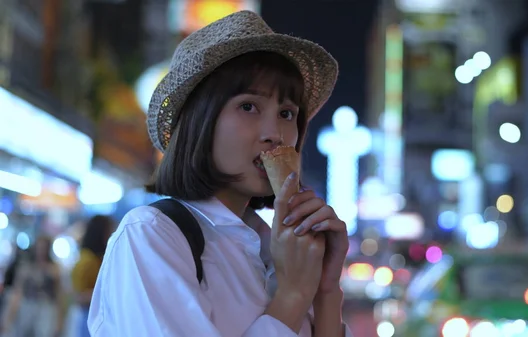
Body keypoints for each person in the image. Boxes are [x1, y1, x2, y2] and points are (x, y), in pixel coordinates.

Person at [88, 10, 351, 337]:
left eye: (286, 113)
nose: (275, 134)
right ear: (202, 120)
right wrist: (293, 295)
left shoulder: (274, 248)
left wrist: (324, 289)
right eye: (248, 106)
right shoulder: (152, 236)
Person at [1, 236, 64, 337]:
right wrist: (9, 317)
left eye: (44, 248)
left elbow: (59, 295)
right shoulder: (26, 268)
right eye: (39, 248)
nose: (41, 251)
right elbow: (18, 292)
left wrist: (59, 322)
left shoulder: (54, 270)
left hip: (46, 309)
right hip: (27, 307)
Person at [71, 215, 115, 337]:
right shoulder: (87, 260)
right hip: (89, 316)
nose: (111, 233)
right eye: (109, 230)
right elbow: (78, 296)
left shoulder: (96, 258)